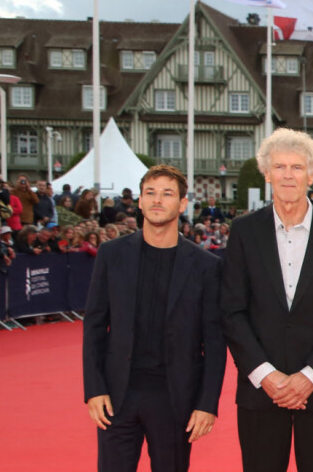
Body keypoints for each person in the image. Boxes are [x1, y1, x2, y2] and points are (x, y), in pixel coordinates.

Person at [221, 128, 313, 472]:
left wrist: (309, 376)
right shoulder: (243, 231)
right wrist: (266, 375)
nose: (288, 175)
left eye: (297, 167)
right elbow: (232, 310)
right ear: (267, 173)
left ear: (311, 174)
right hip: (260, 391)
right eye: (280, 167)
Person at [83, 164, 227, 472]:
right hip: (117, 396)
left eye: (167, 193)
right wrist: (94, 388)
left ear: (182, 203)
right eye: (150, 193)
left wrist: (207, 404)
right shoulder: (112, 254)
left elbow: (214, 340)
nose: (157, 200)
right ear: (139, 201)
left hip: (174, 398)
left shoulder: (206, 266)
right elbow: (95, 325)